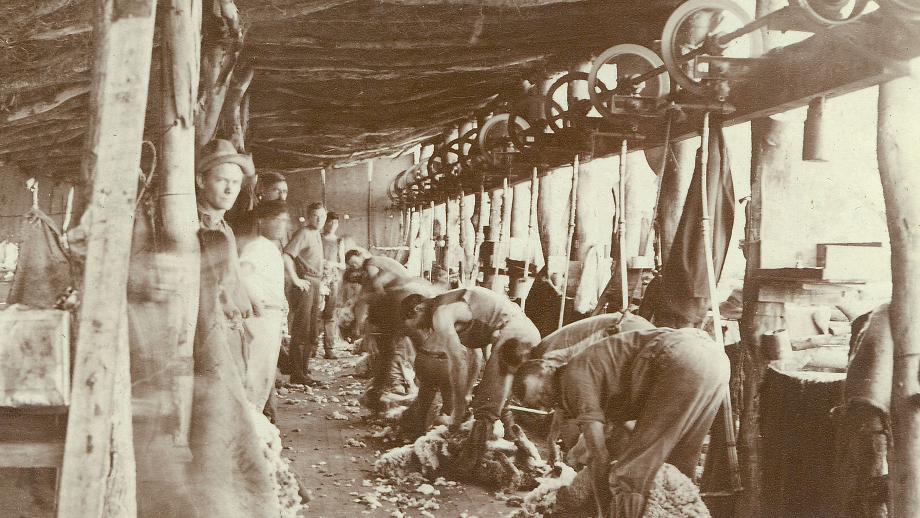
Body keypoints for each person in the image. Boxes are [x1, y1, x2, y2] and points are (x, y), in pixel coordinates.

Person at [513, 325, 730, 518]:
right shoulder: (571, 376)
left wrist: (602, 509)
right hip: (714, 361)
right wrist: (551, 441)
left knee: (630, 473)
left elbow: (599, 456)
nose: (546, 401)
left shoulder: (573, 379)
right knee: (676, 471)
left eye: (542, 393)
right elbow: (563, 410)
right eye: (540, 403)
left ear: (550, 370)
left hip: (678, 358)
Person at [400, 285, 541, 473]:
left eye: (412, 322)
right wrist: (465, 393)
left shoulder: (440, 314)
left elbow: (458, 361)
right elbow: (474, 355)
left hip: (515, 332)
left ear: (418, 309)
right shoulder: (449, 305)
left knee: (487, 404)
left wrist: (458, 411)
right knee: (496, 398)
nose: (417, 329)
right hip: (521, 329)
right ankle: (513, 448)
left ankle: (471, 463)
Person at [196, 138, 256, 375]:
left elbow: (231, 275)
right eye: (221, 181)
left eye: (236, 182)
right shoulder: (195, 225)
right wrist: (227, 303)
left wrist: (245, 299)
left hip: (230, 324)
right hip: (209, 328)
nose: (230, 189)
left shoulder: (225, 228)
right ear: (202, 181)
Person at [238, 200, 290, 411]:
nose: (284, 226)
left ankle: (256, 420)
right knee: (256, 373)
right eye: (279, 220)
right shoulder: (258, 246)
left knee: (265, 373)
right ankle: (251, 423)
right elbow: (241, 274)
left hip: (271, 314)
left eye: (286, 221)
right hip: (262, 316)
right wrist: (256, 301)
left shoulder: (269, 247)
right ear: (262, 221)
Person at [283, 202, 326, 385]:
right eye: (315, 216)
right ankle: (297, 373)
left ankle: (304, 370)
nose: (319, 219)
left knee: (312, 330)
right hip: (305, 283)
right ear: (308, 216)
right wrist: (296, 280)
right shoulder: (303, 233)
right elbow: (286, 255)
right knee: (301, 329)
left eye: (322, 216)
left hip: (316, 283)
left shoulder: (316, 233)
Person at [319, 212, 344, 359]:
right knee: (315, 313)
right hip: (318, 278)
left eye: (335, 223)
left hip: (333, 279)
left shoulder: (339, 241)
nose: (332, 226)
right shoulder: (318, 237)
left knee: (329, 314)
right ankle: (312, 347)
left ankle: (329, 348)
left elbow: (343, 265)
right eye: (329, 222)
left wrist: (331, 263)